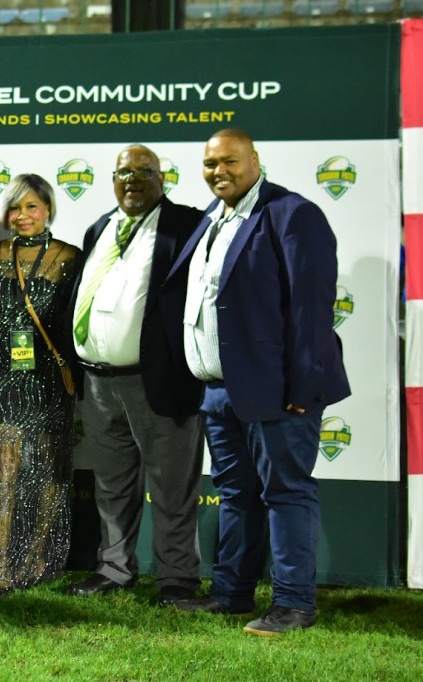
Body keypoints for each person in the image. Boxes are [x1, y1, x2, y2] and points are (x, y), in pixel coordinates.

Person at [162, 129, 350, 635]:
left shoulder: (292, 214)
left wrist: (303, 388)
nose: (218, 171)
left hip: (276, 390)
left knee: (286, 493)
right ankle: (232, 594)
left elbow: (313, 311)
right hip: (218, 389)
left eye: (229, 161)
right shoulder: (210, 221)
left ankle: (294, 605)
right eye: (209, 163)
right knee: (235, 494)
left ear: (255, 160)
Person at [66, 145, 205, 604]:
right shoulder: (99, 227)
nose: (133, 180)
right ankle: (114, 569)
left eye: (144, 172)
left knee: (172, 485)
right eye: (124, 173)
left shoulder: (187, 225)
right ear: (112, 179)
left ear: (162, 178)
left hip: (158, 381)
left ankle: (176, 578)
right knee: (112, 485)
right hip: (99, 382)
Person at [0, 173, 81, 594]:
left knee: (49, 466)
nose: (23, 215)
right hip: (2, 373)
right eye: (16, 208)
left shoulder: (70, 256)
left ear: (48, 209)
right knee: (5, 463)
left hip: (48, 374)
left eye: (32, 207)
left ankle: (36, 553)